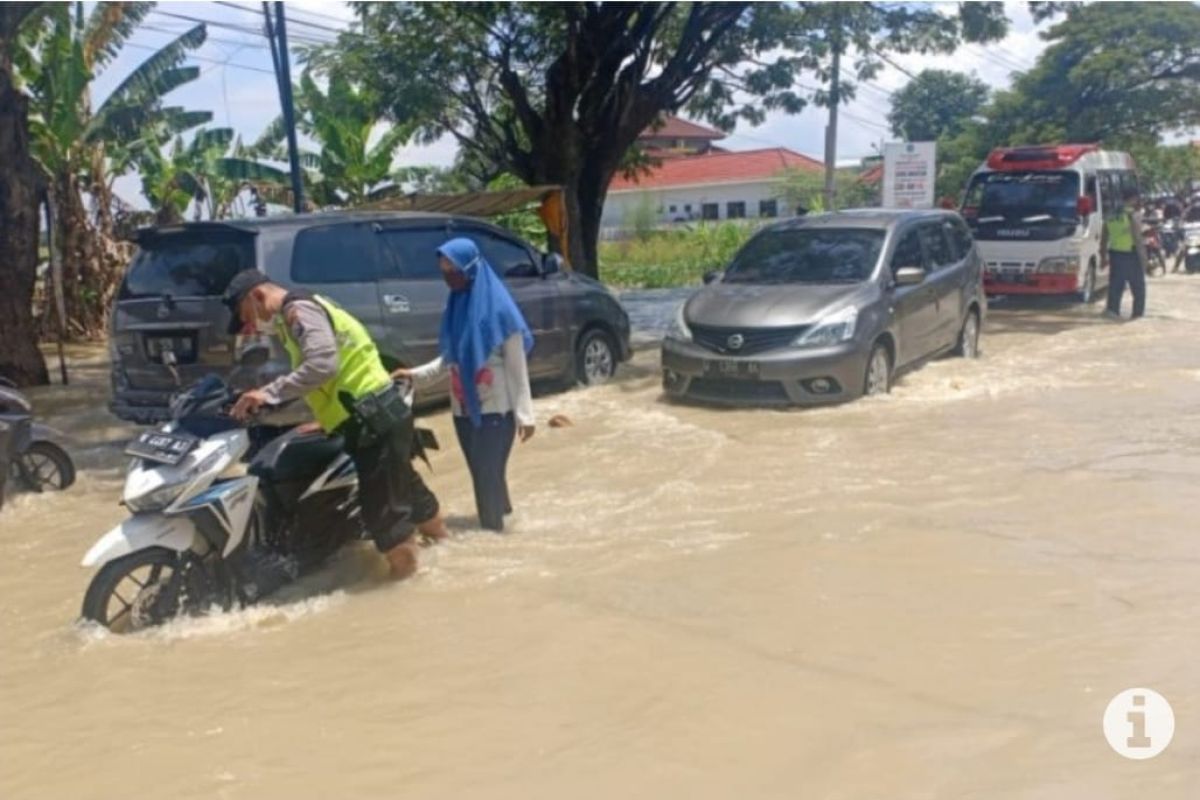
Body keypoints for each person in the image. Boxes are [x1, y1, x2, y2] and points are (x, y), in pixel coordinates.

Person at [224, 271, 447, 580]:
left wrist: (268, 393)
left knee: (386, 519)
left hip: (371, 418)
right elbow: (333, 374)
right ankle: (447, 547)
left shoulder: (297, 311)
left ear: (257, 296)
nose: (249, 326)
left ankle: (405, 588)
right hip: (377, 410)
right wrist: (328, 419)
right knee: (407, 490)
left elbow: (322, 366)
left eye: (245, 315)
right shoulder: (309, 305)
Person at [393, 238, 535, 533]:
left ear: (470, 268)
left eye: (453, 270)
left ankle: (493, 538)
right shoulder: (456, 309)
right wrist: (414, 376)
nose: (449, 277)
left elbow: (517, 370)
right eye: (444, 271)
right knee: (484, 476)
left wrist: (525, 416)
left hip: (497, 412)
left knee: (487, 476)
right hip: (463, 412)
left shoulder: (502, 314)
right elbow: (450, 361)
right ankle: (506, 522)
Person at [1104, 187, 1148, 320]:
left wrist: (1102, 255)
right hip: (1131, 254)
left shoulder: (1111, 214)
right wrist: (1144, 259)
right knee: (1138, 288)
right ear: (1133, 199)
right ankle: (1137, 316)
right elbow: (1138, 239)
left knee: (1115, 286)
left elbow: (1103, 236)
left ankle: (1112, 311)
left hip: (1115, 254)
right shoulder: (1133, 215)